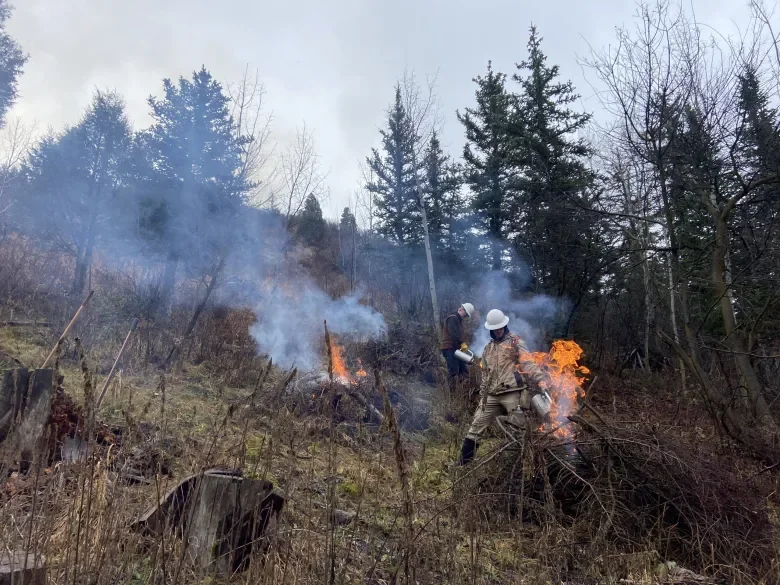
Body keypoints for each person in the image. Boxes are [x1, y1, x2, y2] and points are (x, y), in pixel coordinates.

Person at [455, 308, 547, 466]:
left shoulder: (516, 342)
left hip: (513, 393)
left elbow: (528, 363)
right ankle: (463, 464)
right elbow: (485, 372)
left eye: (500, 327)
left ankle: (526, 466)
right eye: (494, 328)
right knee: (476, 427)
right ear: (490, 329)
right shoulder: (488, 348)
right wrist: (483, 395)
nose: (498, 330)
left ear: (504, 325)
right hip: (491, 395)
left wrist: (541, 380)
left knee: (519, 430)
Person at [440, 303, 475, 383]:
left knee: (463, 371)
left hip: (455, 349)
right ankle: (453, 394)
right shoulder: (453, 318)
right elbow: (454, 334)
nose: (465, 317)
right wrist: (461, 342)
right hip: (449, 348)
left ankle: (465, 391)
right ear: (463, 310)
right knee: (453, 373)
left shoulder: (458, 320)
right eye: (465, 315)